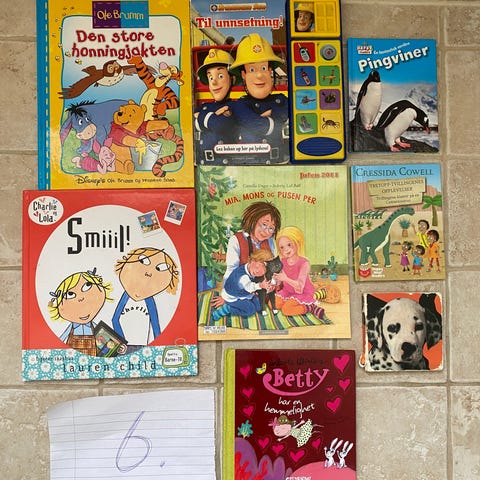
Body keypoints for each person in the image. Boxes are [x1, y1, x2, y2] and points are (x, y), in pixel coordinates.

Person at [229, 33, 289, 163]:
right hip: (252, 164)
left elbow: (294, 112)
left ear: (270, 71)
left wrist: (273, 112)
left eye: (263, 68)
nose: (260, 75)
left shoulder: (281, 99)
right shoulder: (240, 105)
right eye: (252, 70)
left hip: (280, 163)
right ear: (243, 74)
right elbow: (256, 125)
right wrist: (277, 121)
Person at [112, 247, 178, 348]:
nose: (149, 272)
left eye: (160, 268)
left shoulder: (149, 300)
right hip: (123, 346)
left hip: (143, 346)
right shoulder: (125, 297)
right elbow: (115, 319)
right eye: (143, 261)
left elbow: (155, 324)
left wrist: (158, 346)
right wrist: (121, 341)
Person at [48, 268, 113, 356]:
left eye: (88, 285)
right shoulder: (72, 328)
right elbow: (62, 338)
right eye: (70, 294)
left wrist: (113, 344)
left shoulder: (94, 327)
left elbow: (105, 338)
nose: (81, 298)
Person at [194, 48, 238, 163]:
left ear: (232, 79)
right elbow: (189, 124)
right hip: (202, 163)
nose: (214, 82)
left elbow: (220, 124)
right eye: (210, 77)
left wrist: (200, 116)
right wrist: (212, 117)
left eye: (220, 76)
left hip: (225, 165)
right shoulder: (205, 106)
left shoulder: (237, 106)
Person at [273, 226, 326, 320]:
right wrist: (275, 281)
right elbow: (280, 279)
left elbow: (299, 287)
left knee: (286, 310)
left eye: (289, 245)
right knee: (273, 304)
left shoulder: (304, 263)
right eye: (282, 247)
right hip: (287, 291)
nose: (286, 249)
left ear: (297, 243)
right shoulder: (282, 262)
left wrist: (285, 279)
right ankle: (290, 302)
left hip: (302, 293)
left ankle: (310, 307)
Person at [211, 249, 273, 321]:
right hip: (234, 297)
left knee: (259, 305)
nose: (257, 271)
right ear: (252, 260)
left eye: (262, 272)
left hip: (243, 293)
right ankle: (227, 309)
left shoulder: (249, 269)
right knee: (250, 310)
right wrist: (260, 286)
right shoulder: (243, 276)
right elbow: (249, 287)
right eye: (257, 267)